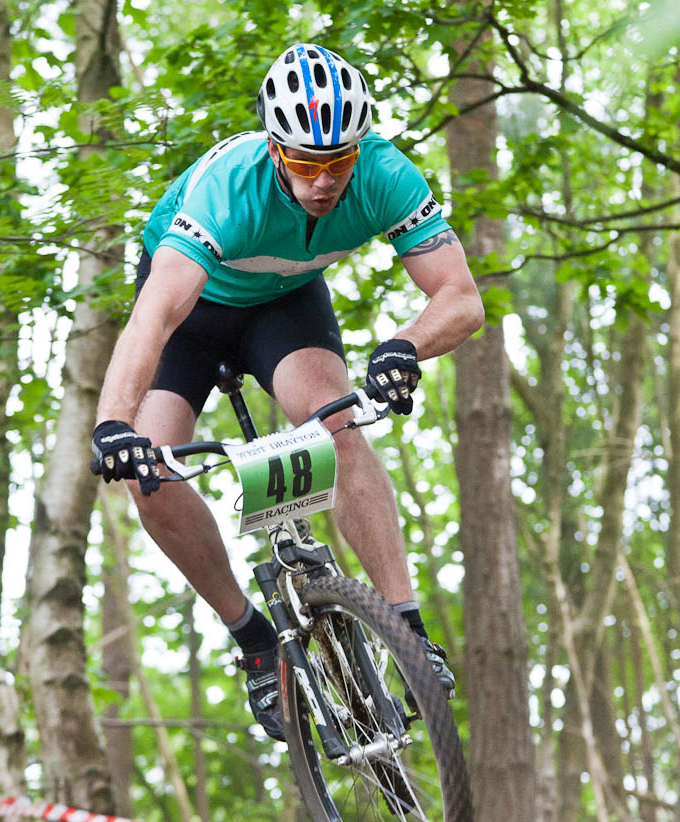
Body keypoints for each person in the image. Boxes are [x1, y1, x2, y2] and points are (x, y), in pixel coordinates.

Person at [92, 43, 484, 740]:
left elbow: (459, 297)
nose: (325, 180)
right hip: (192, 313)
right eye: (306, 163)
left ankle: (406, 630)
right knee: (148, 472)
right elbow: (155, 316)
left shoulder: (384, 174)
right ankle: (253, 640)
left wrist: (403, 347)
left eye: (339, 161)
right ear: (276, 151)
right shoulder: (225, 191)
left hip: (283, 306)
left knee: (337, 422)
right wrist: (113, 424)